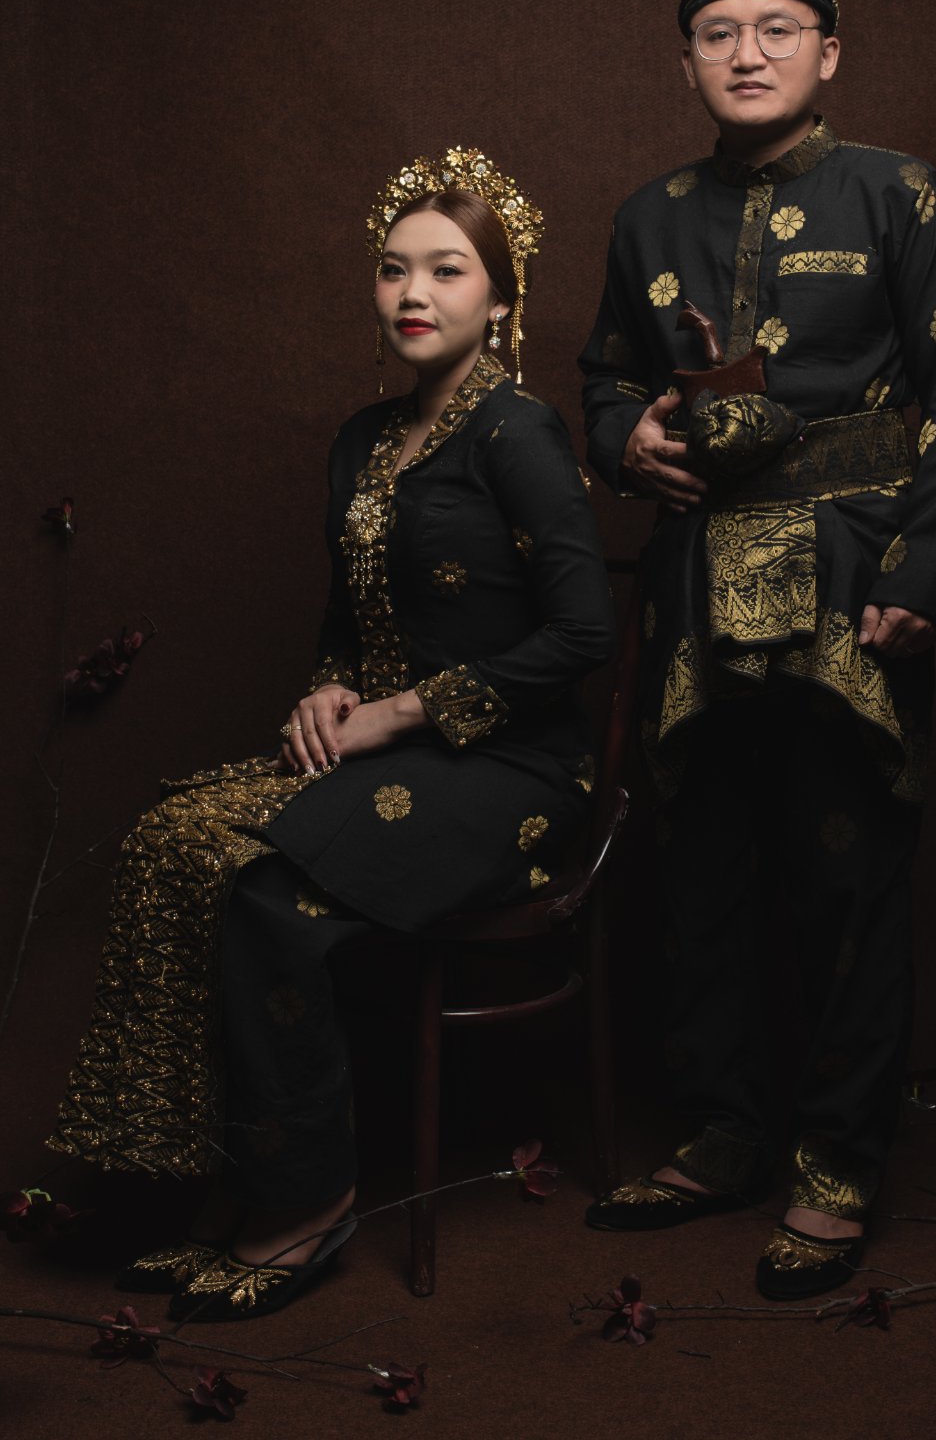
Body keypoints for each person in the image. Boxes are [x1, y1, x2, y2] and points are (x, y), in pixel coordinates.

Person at [48, 146, 614, 1321]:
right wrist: (326, 690)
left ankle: (303, 1202)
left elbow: (582, 634)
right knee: (171, 841)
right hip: (393, 757)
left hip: (510, 768)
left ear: (498, 300)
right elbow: (346, 627)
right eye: (393, 268)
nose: (413, 292)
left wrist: (402, 712)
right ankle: (207, 1183)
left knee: (262, 891)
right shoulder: (361, 440)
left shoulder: (517, 432)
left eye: (446, 270)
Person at [578, 0, 936, 1298]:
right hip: (698, 587)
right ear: (685, 59)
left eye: (775, 28)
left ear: (829, 49)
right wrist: (621, 440)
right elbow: (602, 379)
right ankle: (722, 1134)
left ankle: (837, 1162)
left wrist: (926, 570)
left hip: (850, 580)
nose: (746, 53)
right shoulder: (647, 217)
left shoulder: (898, 192)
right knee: (702, 871)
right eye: (717, 32)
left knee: (844, 871)